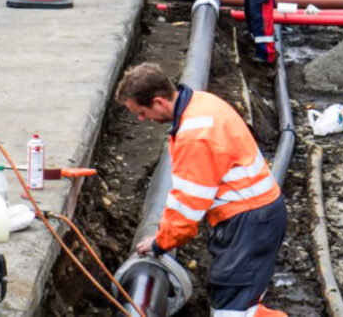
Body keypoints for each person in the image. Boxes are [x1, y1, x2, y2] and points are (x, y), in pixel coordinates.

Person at [117, 63, 287, 317]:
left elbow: (187, 207)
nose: (142, 120)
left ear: (159, 101)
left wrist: (160, 243)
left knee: (230, 309)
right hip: (256, 217)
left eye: (141, 112)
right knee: (242, 303)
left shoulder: (195, 136)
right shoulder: (202, 102)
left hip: (247, 224)